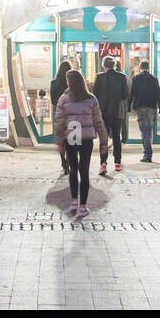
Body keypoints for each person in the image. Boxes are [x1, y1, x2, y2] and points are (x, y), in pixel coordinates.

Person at [54, 69, 108, 217]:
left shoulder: (63, 99)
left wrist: (59, 141)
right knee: (84, 170)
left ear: (68, 82)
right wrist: (104, 141)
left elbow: (59, 121)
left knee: (73, 169)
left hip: (72, 135)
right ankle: (83, 206)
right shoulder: (91, 99)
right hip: (86, 138)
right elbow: (98, 121)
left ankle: (74, 200)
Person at [92, 56, 129, 174]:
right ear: (115, 65)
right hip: (117, 113)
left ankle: (103, 164)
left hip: (103, 113)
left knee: (103, 139)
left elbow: (95, 95)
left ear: (104, 66)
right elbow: (125, 95)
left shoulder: (99, 77)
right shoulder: (122, 77)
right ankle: (117, 163)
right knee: (117, 138)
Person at [129, 60, 160, 162]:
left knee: (144, 131)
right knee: (148, 130)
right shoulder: (154, 79)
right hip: (152, 107)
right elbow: (158, 95)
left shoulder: (136, 78)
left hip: (141, 107)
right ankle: (148, 153)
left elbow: (132, 93)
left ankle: (147, 154)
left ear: (140, 67)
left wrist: (128, 107)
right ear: (148, 67)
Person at [51, 61, 72, 176]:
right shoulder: (71, 84)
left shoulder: (53, 83)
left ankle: (63, 162)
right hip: (70, 113)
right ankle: (68, 162)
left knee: (61, 138)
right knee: (69, 139)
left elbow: (53, 100)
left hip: (58, 112)